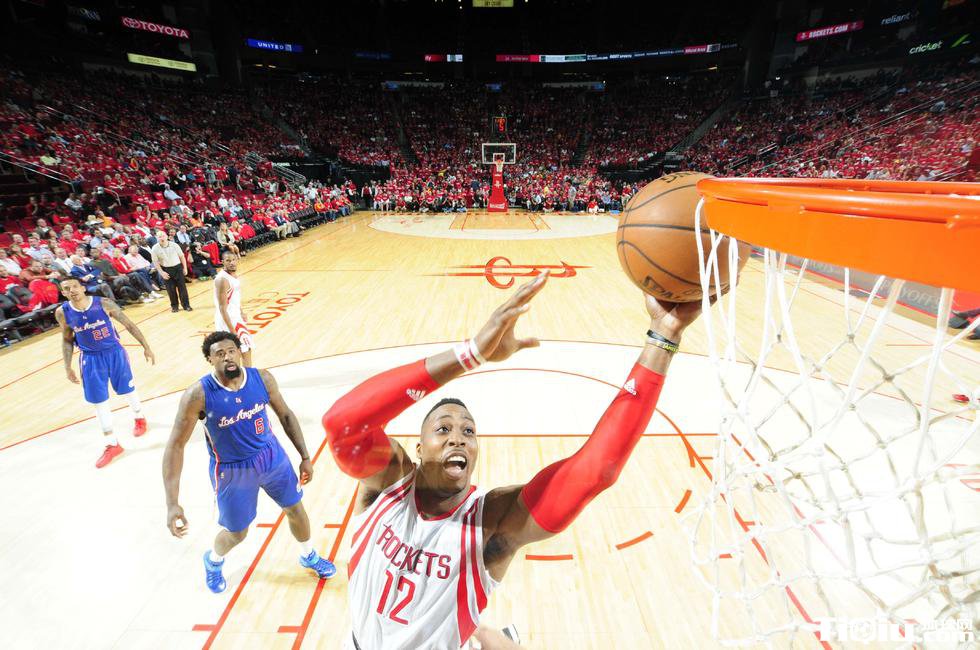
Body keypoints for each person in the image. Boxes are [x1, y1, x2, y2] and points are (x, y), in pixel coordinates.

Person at [322, 271, 705, 649]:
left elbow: (595, 470)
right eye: (443, 429)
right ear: (418, 449)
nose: (458, 437)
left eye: (469, 431)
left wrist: (664, 336)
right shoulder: (387, 485)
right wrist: (470, 354)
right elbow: (342, 422)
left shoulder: (493, 522)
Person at [162, 331, 337, 593]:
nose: (228, 357)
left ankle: (308, 554)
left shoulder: (262, 379)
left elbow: (286, 416)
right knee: (237, 533)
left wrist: (304, 457)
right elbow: (175, 446)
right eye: (220, 354)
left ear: (240, 353)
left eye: (232, 351)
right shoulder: (198, 395)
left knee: (296, 509)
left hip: (271, 456)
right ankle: (213, 560)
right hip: (233, 471)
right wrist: (172, 503)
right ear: (210, 360)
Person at [55, 277, 156, 468]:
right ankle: (112, 444)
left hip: (115, 352)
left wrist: (146, 347)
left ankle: (139, 417)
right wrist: (67, 366)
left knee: (127, 388)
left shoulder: (104, 303)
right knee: (99, 401)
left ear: (82, 288)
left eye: (75, 286)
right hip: (90, 359)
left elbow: (129, 324)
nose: (72, 290)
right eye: (67, 289)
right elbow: (67, 339)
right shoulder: (62, 312)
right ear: (63, 293)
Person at [213, 251, 253, 366]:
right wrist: (233, 332)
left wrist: (241, 312)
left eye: (233, 260)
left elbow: (234, 297)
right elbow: (222, 308)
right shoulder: (222, 279)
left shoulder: (232, 275)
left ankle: (246, 374)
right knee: (240, 351)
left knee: (245, 349)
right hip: (228, 320)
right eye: (228, 260)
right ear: (222, 262)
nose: (232, 263)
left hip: (235, 317)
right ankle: (245, 375)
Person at [151, 230, 191, 313]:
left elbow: (182, 256)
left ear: (166, 236)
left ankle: (186, 305)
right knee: (171, 290)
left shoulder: (174, 245)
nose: (161, 238)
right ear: (157, 238)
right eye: (159, 236)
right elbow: (155, 262)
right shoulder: (155, 248)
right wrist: (162, 272)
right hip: (166, 270)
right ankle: (174, 306)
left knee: (182, 288)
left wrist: (185, 268)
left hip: (177, 268)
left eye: (163, 236)